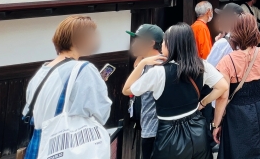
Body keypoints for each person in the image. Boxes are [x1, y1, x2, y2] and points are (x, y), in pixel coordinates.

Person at [123, 23, 229, 159]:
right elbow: (223, 87)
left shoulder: (159, 72)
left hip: (168, 135)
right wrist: (203, 103)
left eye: (165, 42)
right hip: (197, 132)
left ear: (171, 44)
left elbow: (127, 90)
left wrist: (143, 63)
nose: (162, 45)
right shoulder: (202, 65)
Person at [21, 15, 111, 159]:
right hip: (65, 147)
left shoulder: (42, 71)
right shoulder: (84, 69)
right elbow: (101, 113)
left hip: (36, 146)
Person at [213, 15, 260, 159]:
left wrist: (216, 125)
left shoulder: (226, 62)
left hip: (237, 112)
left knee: (238, 150)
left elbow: (222, 97)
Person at [126, 24, 164, 159]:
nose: (134, 44)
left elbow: (126, 89)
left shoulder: (156, 66)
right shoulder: (145, 62)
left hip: (154, 130)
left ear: (151, 43)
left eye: (138, 40)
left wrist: (141, 63)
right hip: (148, 126)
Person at [207, 3, 244, 68]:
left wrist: (218, 44)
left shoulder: (222, 44)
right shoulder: (245, 40)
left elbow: (208, 69)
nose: (219, 20)